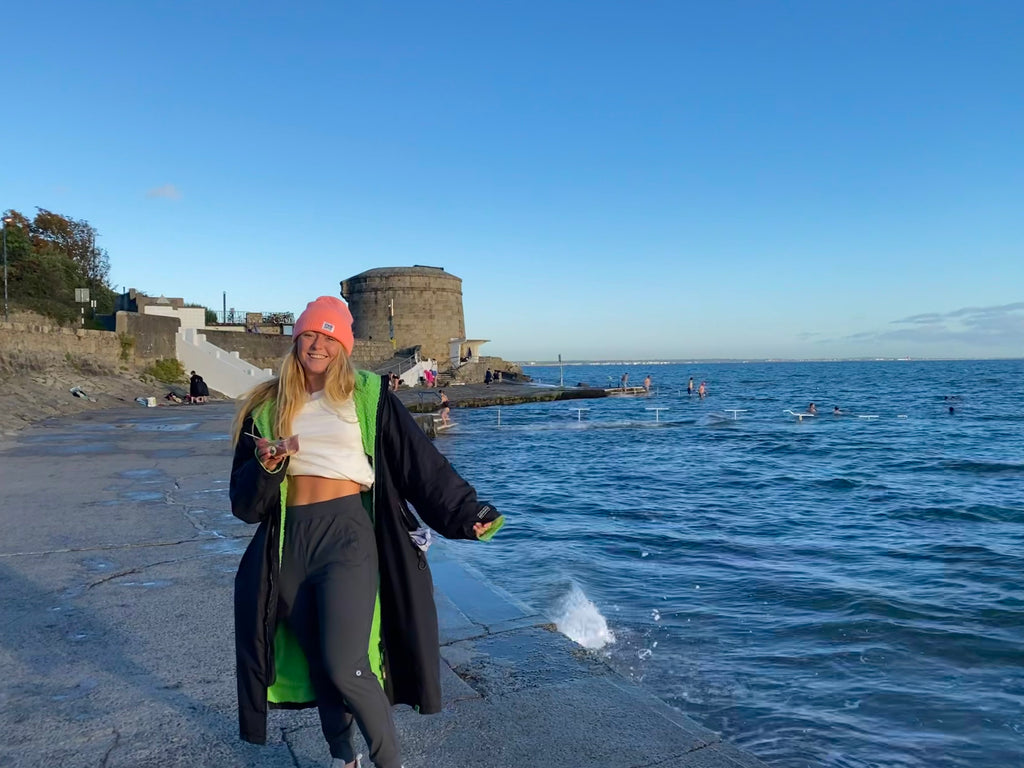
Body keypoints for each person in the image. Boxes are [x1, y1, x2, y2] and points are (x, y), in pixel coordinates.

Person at [229, 296, 504, 768]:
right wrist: (268, 464)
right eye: (310, 335)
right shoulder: (265, 407)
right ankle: (344, 758)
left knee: (346, 664)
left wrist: (465, 514)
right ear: (296, 339)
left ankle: (387, 762)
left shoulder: (366, 395)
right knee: (320, 666)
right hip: (289, 544)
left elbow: (420, 464)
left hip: (347, 538)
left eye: (329, 337)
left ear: (343, 346)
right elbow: (244, 505)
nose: (318, 345)